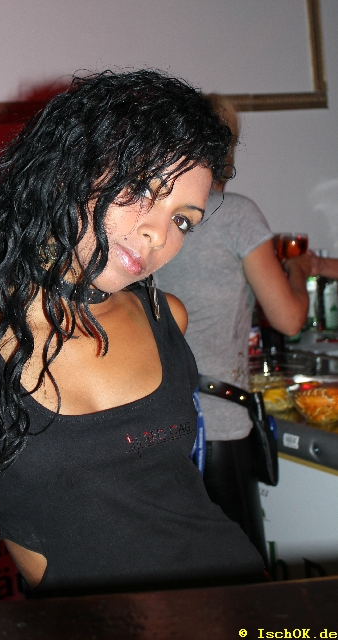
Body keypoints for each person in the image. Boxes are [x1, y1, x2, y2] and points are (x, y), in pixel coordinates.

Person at [0, 71, 266, 607]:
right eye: (140, 191)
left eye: (184, 221)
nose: (159, 233)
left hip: (243, 604)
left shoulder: (165, 316)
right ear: (68, 171)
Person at [154, 93, 313, 565]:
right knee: (243, 583)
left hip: (160, 424)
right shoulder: (236, 213)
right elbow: (289, 319)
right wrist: (300, 271)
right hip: (219, 424)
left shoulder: (151, 218)